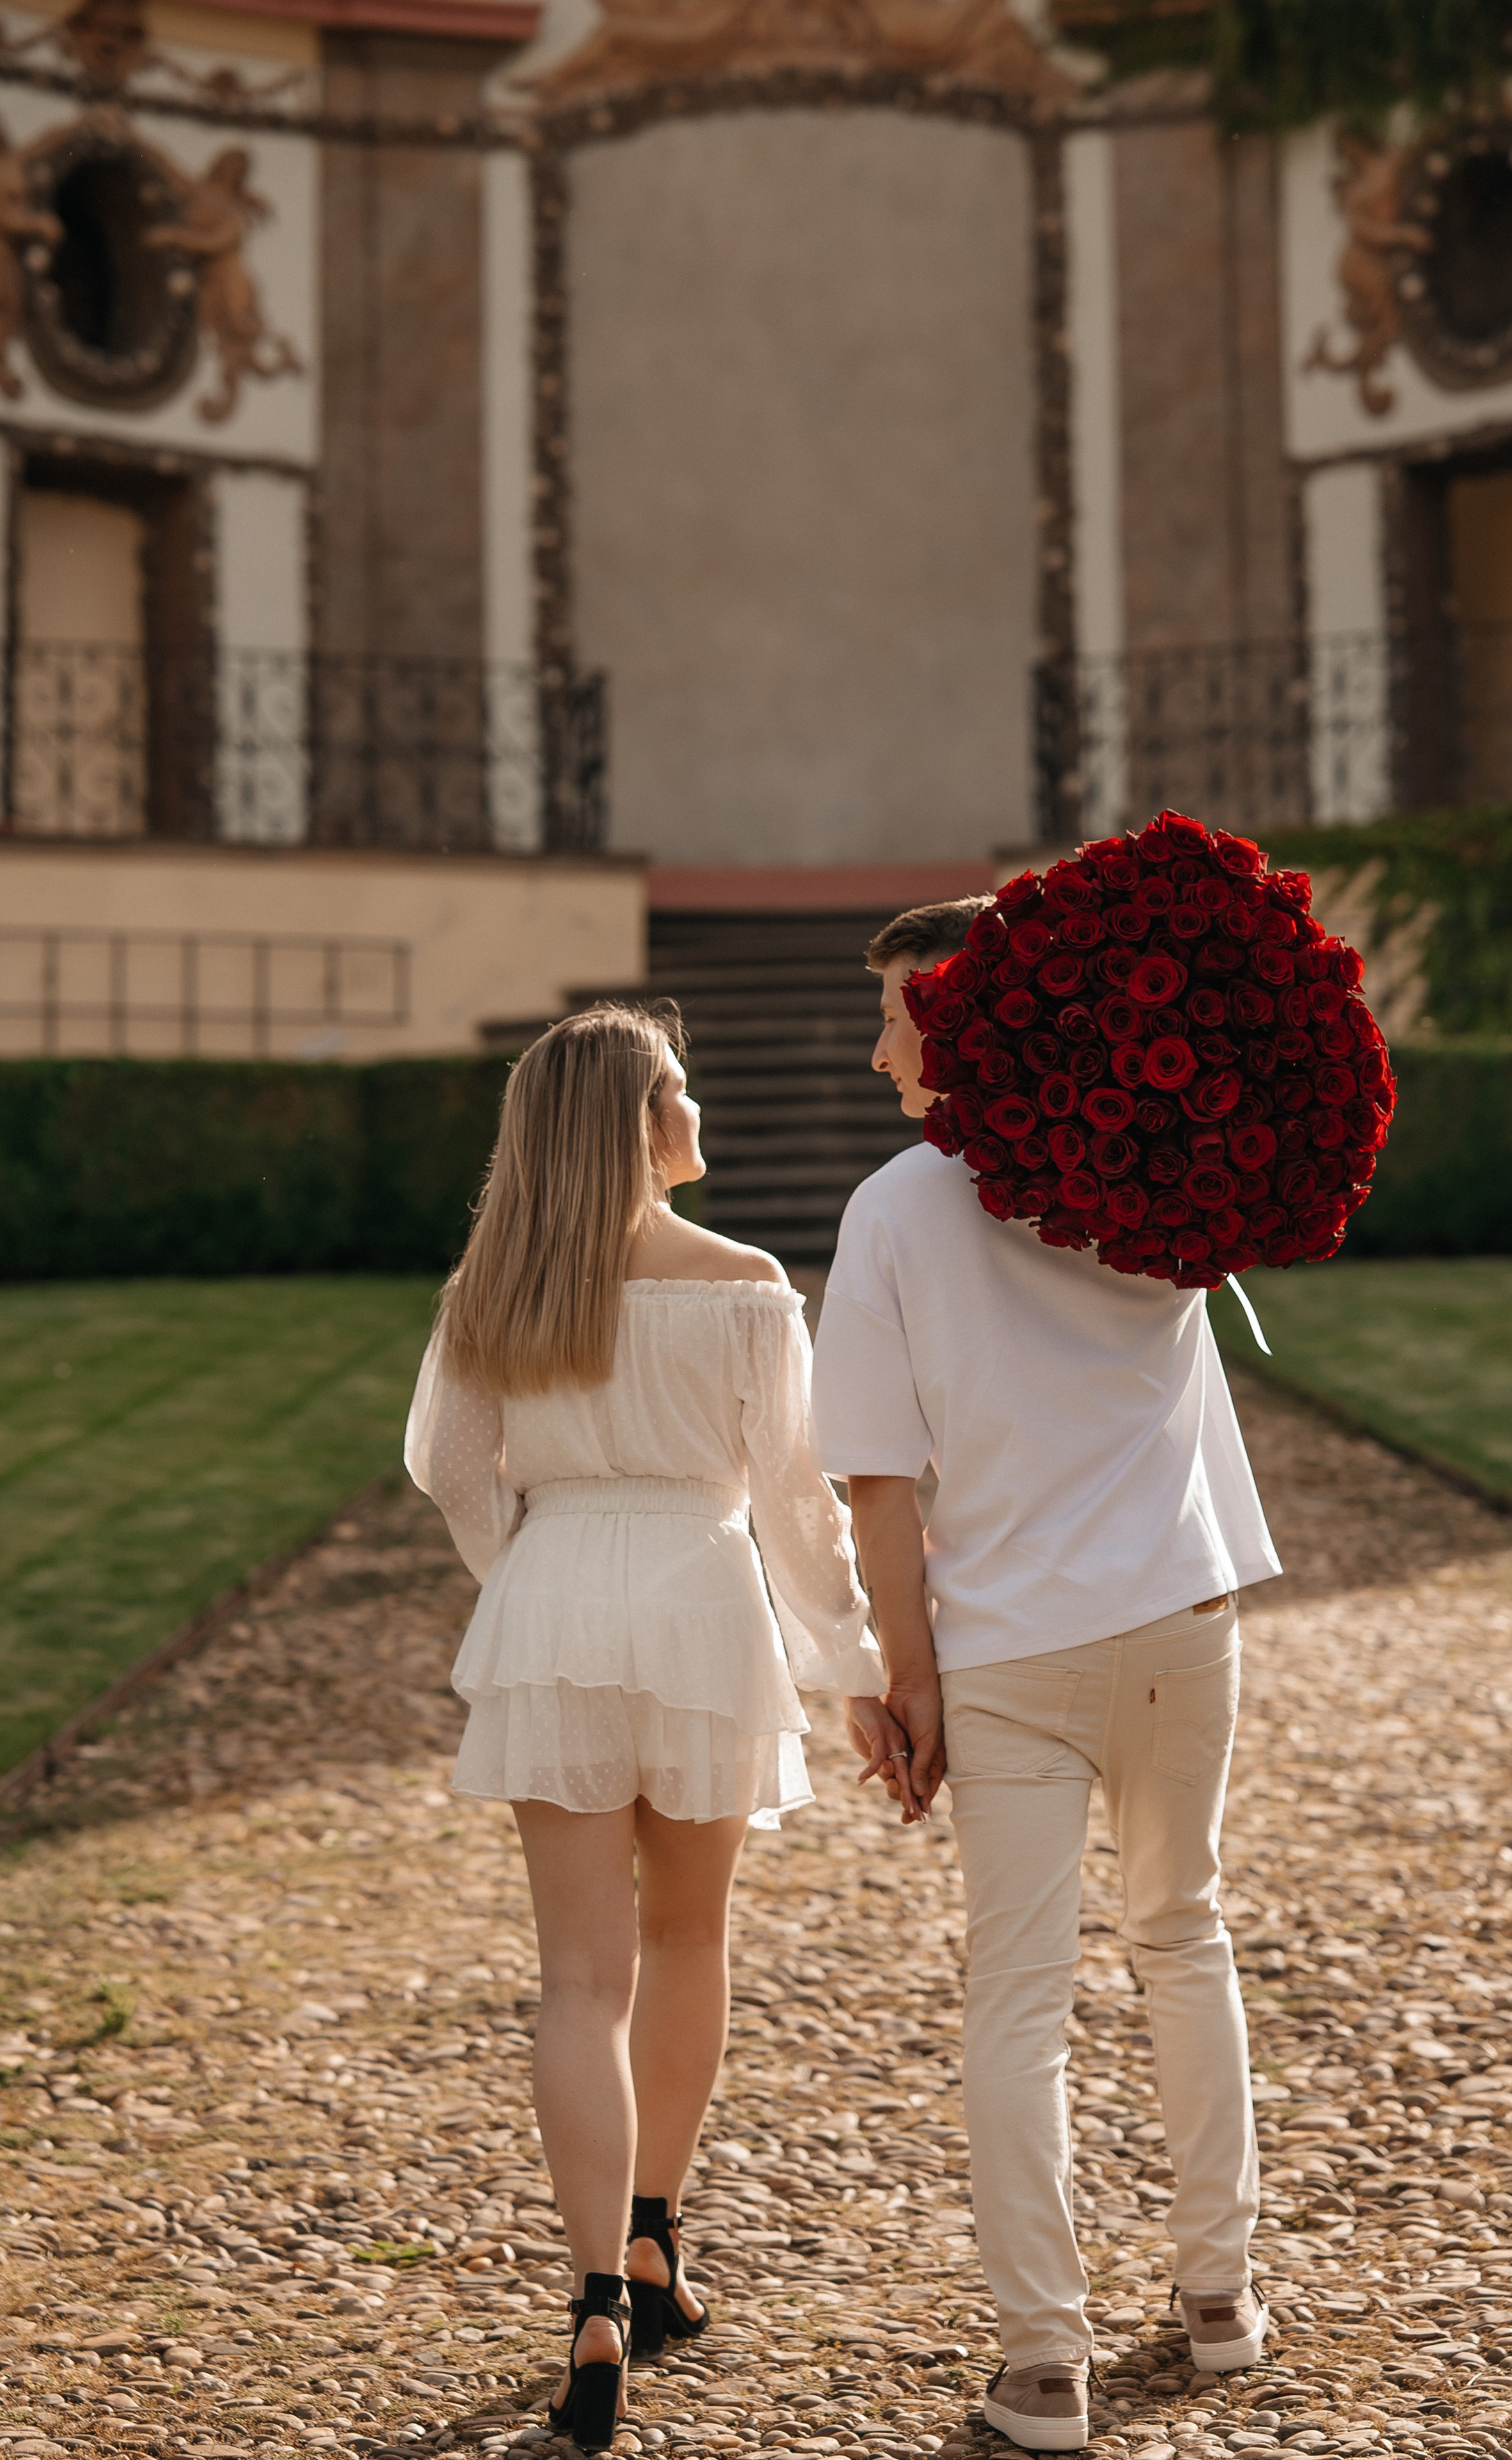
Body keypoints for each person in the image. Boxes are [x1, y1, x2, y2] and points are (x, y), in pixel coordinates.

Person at [811, 900, 1283, 2452]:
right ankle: (1217, 2296)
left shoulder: (892, 1208)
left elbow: (877, 1483)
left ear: (954, 1021)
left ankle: (1043, 2365)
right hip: (1179, 1612)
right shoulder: (1153, 1171)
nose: (874, 1044)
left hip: (1012, 1642)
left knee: (1017, 1999)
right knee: (1183, 1935)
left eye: (892, 1011)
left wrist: (906, 1676)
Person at [405, 1005, 891, 2453]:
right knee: (684, 1939)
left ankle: (594, 2302)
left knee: (576, 1975)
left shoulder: (491, 1289)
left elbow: (448, 1466)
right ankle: (652, 2240)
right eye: (673, 1089)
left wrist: (533, 1574)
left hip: (556, 1596)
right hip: (696, 1599)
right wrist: (854, 1660)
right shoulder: (744, 1285)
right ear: (632, 1121)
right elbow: (799, 1506)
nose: (692, 1107)